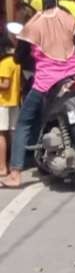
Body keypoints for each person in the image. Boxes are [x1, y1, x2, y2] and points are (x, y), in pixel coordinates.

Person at [0, 0, 75, 189]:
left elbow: (19, 57)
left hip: (46, 82)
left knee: (24, 122)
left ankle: (14, 173)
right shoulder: (69, 17)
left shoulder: (32, 25)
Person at [0, 35, 20, 177]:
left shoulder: (4, 63)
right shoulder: (16, 62)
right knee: (13, 134)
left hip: (3, 103)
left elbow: (5, 85)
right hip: (15, 102)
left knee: (1, 135)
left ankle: (2, 168)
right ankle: (14, 165)